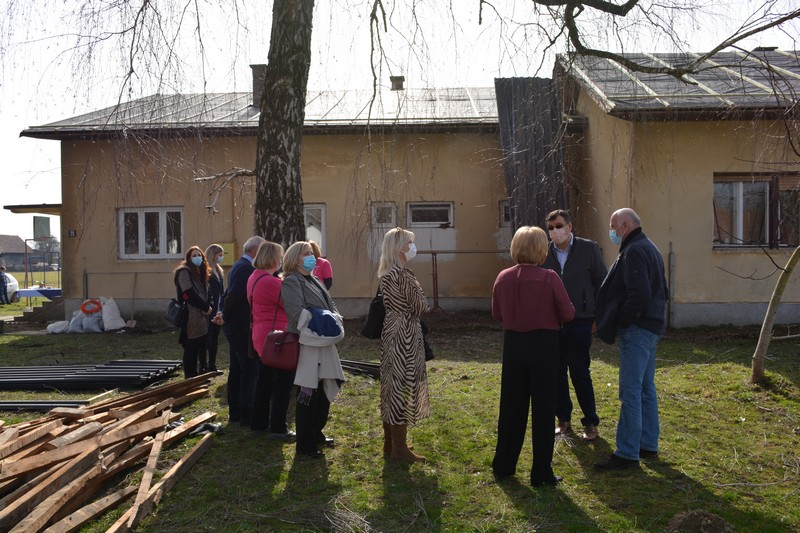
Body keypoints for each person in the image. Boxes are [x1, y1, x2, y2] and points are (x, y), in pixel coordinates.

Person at [491, 226, 575, 487]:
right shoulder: (549, 278)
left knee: (511, 406)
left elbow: (497, 313)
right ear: (541, 249)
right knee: (543, 408)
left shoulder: (503, 277)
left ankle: (504, 464)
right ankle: (541, 471)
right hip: (544, 345)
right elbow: (568, 313)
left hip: (514, 344)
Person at [594, 208, 668, 470]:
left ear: (625, 226)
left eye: (614, 226)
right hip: (651, 327)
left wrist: (624, 321)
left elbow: (640, 294)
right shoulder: (649, 247)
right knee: (646, 388)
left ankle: (626, 452)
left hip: (638, 329)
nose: (612, 232)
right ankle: (647, 444)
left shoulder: (635, 250)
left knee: (631, 391)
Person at [542, 209, 607, 441]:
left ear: (570, 227)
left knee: (579, 371)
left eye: (559, 226)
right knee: (557, 371)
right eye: (550, 228)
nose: (555, 231)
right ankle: (563, 419)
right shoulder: (544, 251)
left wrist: (597, 315)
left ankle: (590, 422)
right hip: (552, 321)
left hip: (580, 319)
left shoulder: (588, 249)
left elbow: (600, 280)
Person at [281, 241, 343, 459]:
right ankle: (305, 444)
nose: (312, 257)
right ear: (295, 258)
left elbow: (330, 306)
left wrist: (333, 319)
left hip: (323, 343)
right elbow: (297, 314)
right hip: (307, 344)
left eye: (312, 253)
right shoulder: (291, 281)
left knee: (323, 391)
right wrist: (322, 320)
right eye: (307, 254)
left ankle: (316, 432)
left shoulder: (314, 279)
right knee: (308, 393)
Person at [377, 227, 431, 463]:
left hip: (391, 328)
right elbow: (421, 307)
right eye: (409, 243)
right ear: (400, 247)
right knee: (403, 384)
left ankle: (391, 443)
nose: (412, 247)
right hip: (406, 331)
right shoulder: (403, 274)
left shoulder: (386, 273)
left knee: (392, 384)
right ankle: (399, 449)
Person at [248, 241, 296, 441]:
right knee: (281, 384)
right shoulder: (271, 282)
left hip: (262, 335)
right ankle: (278, 427)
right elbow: (292, 305)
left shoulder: (254, 277)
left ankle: (258, 423)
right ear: (274, 258)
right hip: (277, 338)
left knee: (264, 381)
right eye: (280, 256)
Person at [222, 236, 266, 426]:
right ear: (255, 250)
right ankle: (245, 413)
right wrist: (225, 316)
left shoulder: (239, 265)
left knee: (238, 370)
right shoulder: (246, 268)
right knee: (248, 370)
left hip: (235, 325)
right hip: (240, 326)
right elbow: (233, 296)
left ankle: (237, 412)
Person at [173, 246, 213, 378]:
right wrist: (205, 307)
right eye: (194, 255)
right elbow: (187, 293)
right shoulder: (184, 272)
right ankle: (190, 375)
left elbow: (207, 291)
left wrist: (208, 305)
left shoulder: (201, 271)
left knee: (202, 342)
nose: (197, 257)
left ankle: (202, 371)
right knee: (191, 345)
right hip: (191, 314)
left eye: (199, 255)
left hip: (202, 315)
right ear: (189, 258)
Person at [204, 243, 225, 372]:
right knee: (209, 338)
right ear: (213, 255)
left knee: (215, 338)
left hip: (218, 309)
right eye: (220, 255)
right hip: (210, 310)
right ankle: (205, 365)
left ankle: (212, 364)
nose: (221, 257)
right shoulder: (207, 271)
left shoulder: (218, 270)